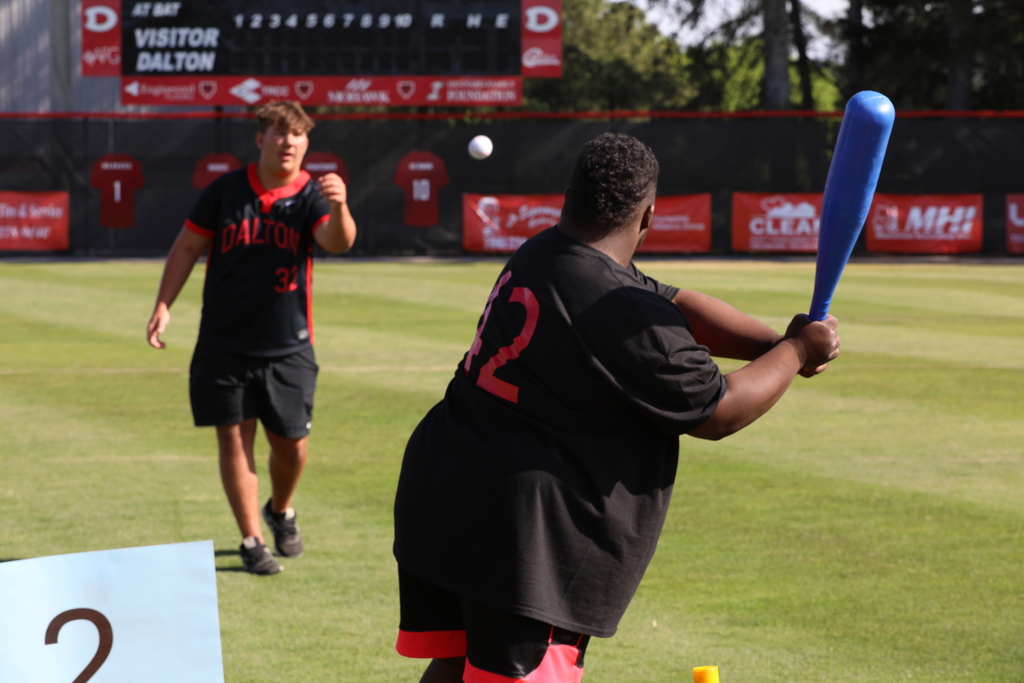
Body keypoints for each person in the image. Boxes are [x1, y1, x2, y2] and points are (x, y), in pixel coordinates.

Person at [392, 133, 839, 682]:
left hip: (444, 493)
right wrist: (796, 352)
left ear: (568, 196)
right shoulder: (616, 306)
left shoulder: (547, 252)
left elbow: (670, 302)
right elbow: (718, 410)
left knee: (459, 666)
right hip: (520, 535)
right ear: (649, 214)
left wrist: (774, 342)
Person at [146, 101, 356, 575]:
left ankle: (280, 510)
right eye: (280, 133)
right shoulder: (225, 191)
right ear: (260, 139)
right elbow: (187, 247)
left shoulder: (313, 195)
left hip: (288, 345)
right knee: (234, 442)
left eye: (298, 135)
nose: (289, 142)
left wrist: (340, 204)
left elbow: (337, 242)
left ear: (307, 143)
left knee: (292, 447)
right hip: (223, 342)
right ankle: (251, 540)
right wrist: (163, 304)